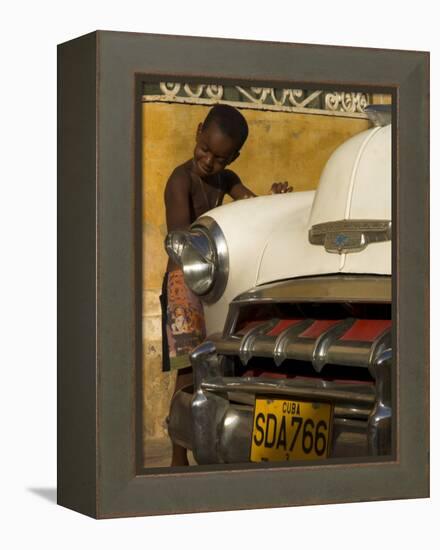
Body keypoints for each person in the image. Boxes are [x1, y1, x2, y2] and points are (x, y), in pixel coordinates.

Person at [162, 104, 292, 466]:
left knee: (212, 363)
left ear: (233, 156)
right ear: (198, 131)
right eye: (205, 150)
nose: (208, 162)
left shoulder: (227, 179)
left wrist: (272, 197)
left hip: (212, 285)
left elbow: (250, 206)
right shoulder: (180, 180)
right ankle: (177, 455)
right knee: (187, 370)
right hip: (184, 286)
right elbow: (183, 240)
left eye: (219, 158)